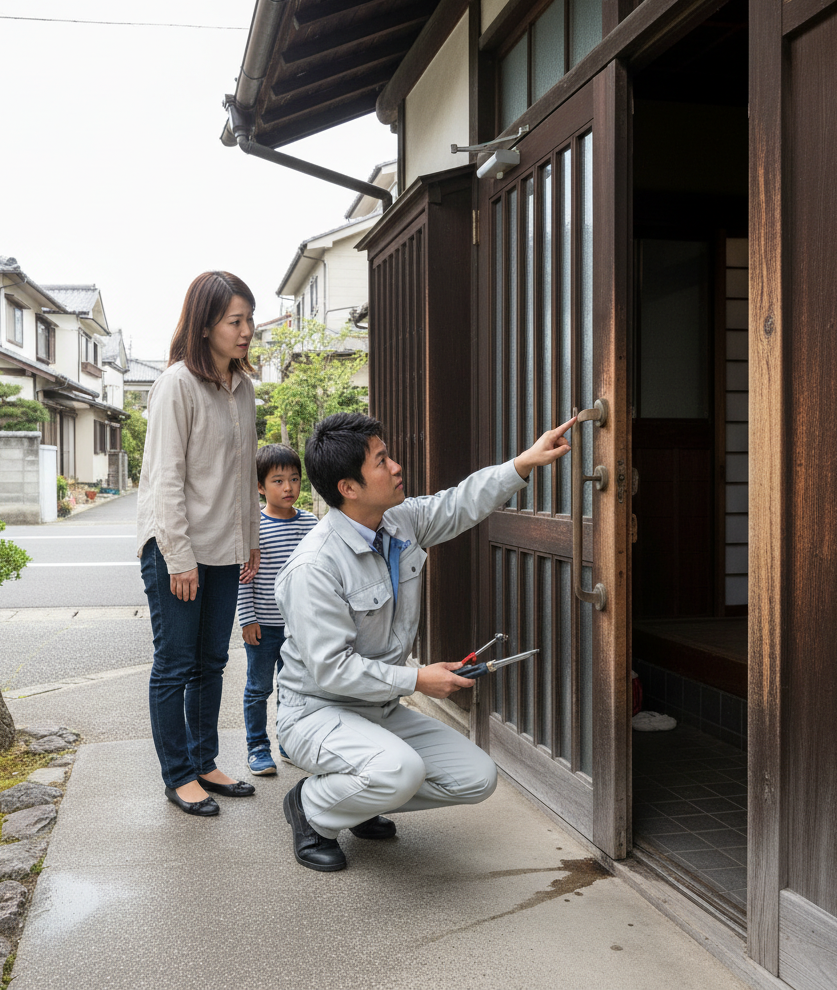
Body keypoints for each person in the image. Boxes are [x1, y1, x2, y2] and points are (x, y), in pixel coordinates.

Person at [275, 410, 577, 870]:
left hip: (377, 709)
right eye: (381, 461)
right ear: (348, 488)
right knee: (400, 770)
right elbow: (332, 669)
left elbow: (459, 503)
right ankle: (313, 808)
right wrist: (417, 679)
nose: (396, 466)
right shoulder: (314, 567)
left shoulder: (398, 522)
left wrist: (525, 463)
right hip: (317, 712)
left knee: (476, 777)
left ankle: (357, 801)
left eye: (388, 455)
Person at [136, 270, 261, 818]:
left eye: (249, 319)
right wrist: (178, 558)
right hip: (176, 550)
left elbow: (241, 475)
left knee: (212, 661)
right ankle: (178, 775)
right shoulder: (177, 384)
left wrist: (250, 539)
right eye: (236, 320)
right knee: (176, 663)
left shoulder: (243, 388)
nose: (247, 330)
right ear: (205, 323)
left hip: (225, 548)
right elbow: (167, 478)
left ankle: (205, 760)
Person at [237, 444, 317, 777]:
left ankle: (289, 741)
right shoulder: (252, 526)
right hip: (263, 627)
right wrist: (248, 618)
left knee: (293, 687)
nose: (288, 488)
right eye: (278, 480)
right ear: (260, 486)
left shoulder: (311, 523)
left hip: (298, 627)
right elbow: (242, 578)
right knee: (259, 688)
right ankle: (257, 747)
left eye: (295, 479)